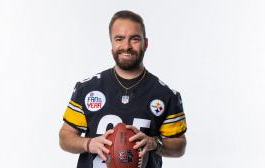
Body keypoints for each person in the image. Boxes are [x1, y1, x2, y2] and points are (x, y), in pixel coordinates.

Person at [59, 10, 187, 168]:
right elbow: (65, 137)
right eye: (119, 39)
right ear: (111, 43)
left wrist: (155, 144)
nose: (126, 46)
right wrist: (88, 143)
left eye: (134, 39)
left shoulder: (165, 95)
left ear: (145, 44)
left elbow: (179, 146)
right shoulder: (87, 88)